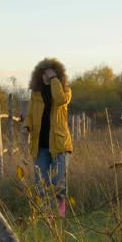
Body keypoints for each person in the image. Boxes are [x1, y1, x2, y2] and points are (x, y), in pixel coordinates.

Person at [23, 58, 73, 217]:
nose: (46, 77)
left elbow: (60, 100)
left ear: (58, 75)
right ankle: (46, 215)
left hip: (59, 143)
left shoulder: (65, 91)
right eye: (44, 74)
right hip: (40, 145)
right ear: (39, 75)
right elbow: (30, 113)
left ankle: (60, 214)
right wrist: (26, 126)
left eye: (50, 74)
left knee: (59, 181)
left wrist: (54, 80)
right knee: (41, 182)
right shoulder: (36, 94)